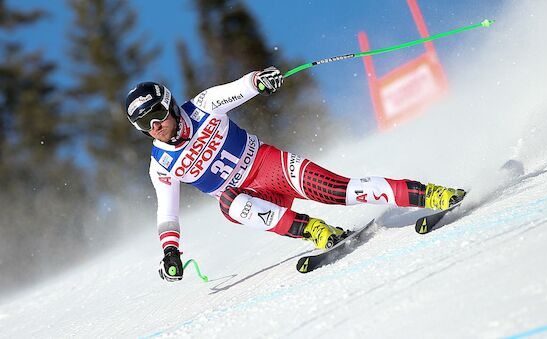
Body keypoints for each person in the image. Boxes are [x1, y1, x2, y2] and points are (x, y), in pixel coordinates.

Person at [124, 67, 465, 282]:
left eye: (156, 115)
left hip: (271, 168)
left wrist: (261, 81)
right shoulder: (162, 165)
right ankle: (318, 231)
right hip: (253, 198)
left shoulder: (202, 106)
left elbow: (239, 87)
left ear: (168, 104)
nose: (154, 127)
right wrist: (171, 251)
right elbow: (167, 212)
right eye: (144, 124)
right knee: (229, 204)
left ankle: (431, 194)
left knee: (342, 192)